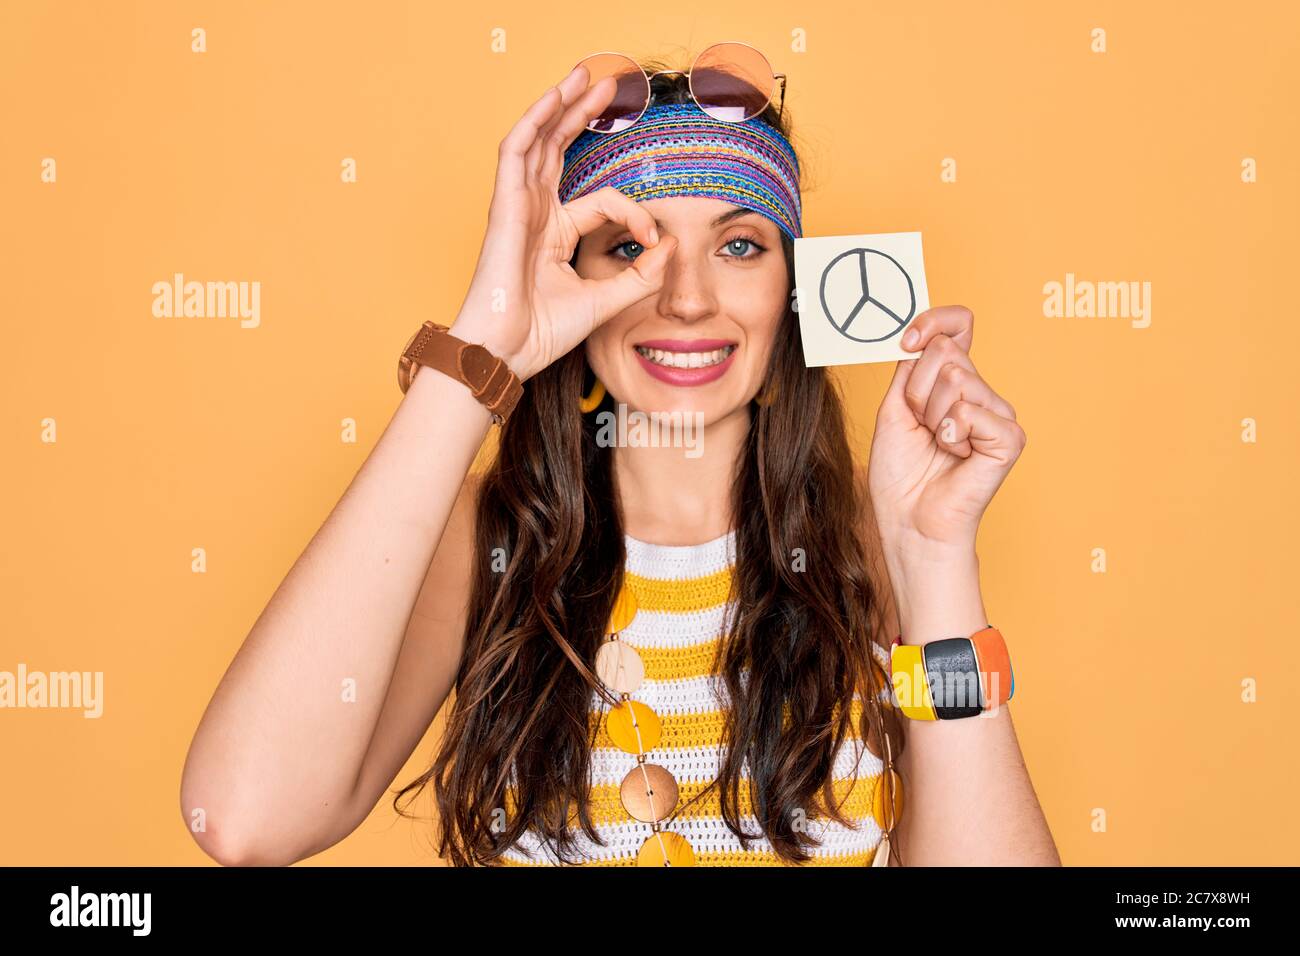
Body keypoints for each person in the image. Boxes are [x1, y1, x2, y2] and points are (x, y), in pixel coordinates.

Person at [181, 53, 1060, 867]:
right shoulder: (484, 542)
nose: (684, 299)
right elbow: (243, 817)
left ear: (794, 286)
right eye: (632, 247)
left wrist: (935, 557)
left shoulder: (877, 538)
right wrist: (483, 347)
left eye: (740, 245)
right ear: (569, 274)